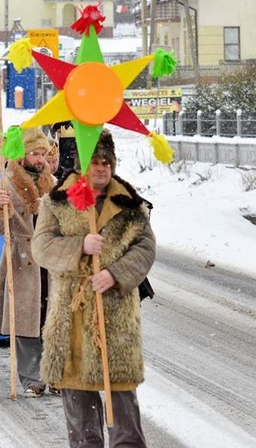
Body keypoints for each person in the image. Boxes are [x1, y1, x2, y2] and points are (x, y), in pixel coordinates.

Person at [33, 129, 155, 448]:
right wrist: (80, 246)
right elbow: (42, 247)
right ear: (81, 164)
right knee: (78, 398)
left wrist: (115, 273)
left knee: (122, 399)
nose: (101, 168)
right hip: (73, 312)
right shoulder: (56, 201)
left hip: (116, 312)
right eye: (95, 161)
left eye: (106, 162)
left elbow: (145, 247)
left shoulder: (129, 202)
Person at [0, 127, 56, 397]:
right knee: (26, 322)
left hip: (51, 262)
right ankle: (32, 379)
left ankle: (56, 375)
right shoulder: (3, 186)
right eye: (34, 153)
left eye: (43, 154)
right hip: (22, 259)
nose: (40, 159)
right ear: (22, 154)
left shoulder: (53, 184)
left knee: (52, 320)